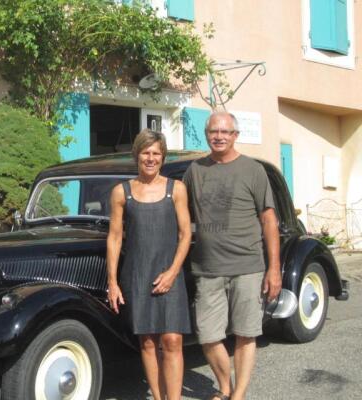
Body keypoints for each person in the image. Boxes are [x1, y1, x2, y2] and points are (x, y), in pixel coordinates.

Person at [183, 111, 282, 400]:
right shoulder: (195, 171)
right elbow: (182, 214)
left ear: (235, 135)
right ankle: (224, 385)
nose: (219, 136)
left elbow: (268, 220)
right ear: (206, 134)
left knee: (245, 332)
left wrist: (273, 268)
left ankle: (237, 394)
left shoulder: (252, 170)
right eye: (214, 131)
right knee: (208, 335)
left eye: (226, 132)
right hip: (207, 267)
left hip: (247, 266)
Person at [107, 129, 192, 400]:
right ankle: (158, 397)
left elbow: (185, 234)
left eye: (156, 153)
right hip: (137, 274)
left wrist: (173, 271)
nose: (151, 158)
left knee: (172, 341)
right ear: (137, 155)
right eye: (146, 152)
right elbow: (115, 237)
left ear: (163, 157)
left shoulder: (176, 189)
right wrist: (112, 282)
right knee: (147, 342)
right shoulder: (121, 192)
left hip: (170, 274)